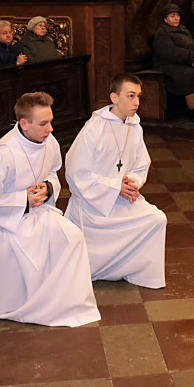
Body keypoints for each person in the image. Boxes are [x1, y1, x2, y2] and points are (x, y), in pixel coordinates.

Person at [0, 91, 100, 327]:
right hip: (4, 225)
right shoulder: (1, 156)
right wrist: (22, 201)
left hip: (39, 215)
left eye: (51, 121)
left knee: (72, 237)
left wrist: (48, 188)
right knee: (25, 261)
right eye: (43, 123)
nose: (51, 129)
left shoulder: (48, 142)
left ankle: (60, 301)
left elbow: (53, 172)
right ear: (24, 124)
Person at [65, 73, 167, 288]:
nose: (137, 102)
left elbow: (141, 164)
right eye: (130, 96)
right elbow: (76, 174)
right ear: (114, 97)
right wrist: (114, 187)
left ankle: (133, 269)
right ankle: (101, 268)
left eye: (139, 96)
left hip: (121, 196)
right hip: (94, 203)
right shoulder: (94, 128)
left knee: (156, 219)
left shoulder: (135, 128)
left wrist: (132, 184)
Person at [151, 4, 194, 111]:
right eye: (172, 16)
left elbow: (193, 45)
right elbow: (170, 52)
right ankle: (193, 109)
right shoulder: (162, 33)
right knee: (191, 75)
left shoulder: (183, 29)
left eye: (177, 15)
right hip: (167, 64)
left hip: (185, 62)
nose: (176, 18)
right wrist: (191, 57)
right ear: (165, 19)